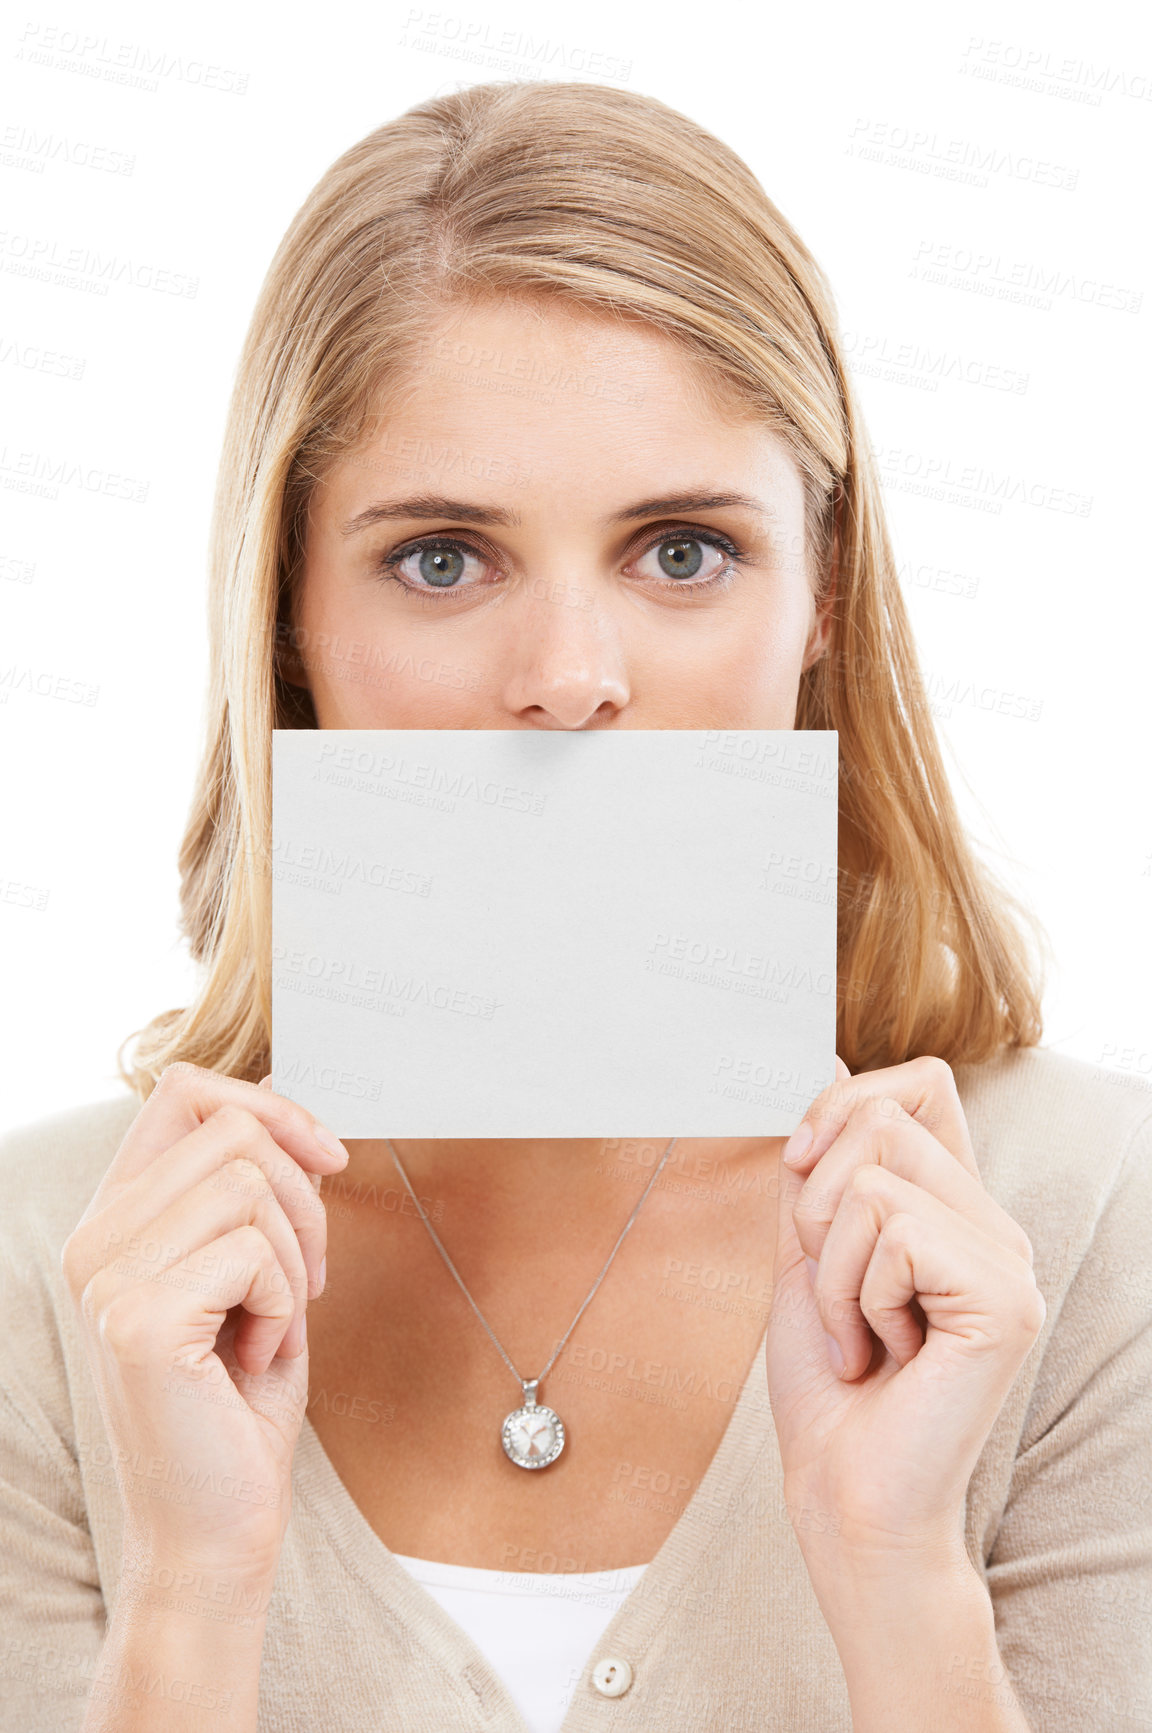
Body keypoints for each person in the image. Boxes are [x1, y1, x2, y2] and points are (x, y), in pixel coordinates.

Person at [1, 79, 1149, 1733]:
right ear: (291, 620)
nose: (570, 680)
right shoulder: (61, 1275)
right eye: (445, 558)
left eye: (681, 552)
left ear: (820, 593)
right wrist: (189, 1590)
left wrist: (898, 1570)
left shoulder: (1088, 1228)